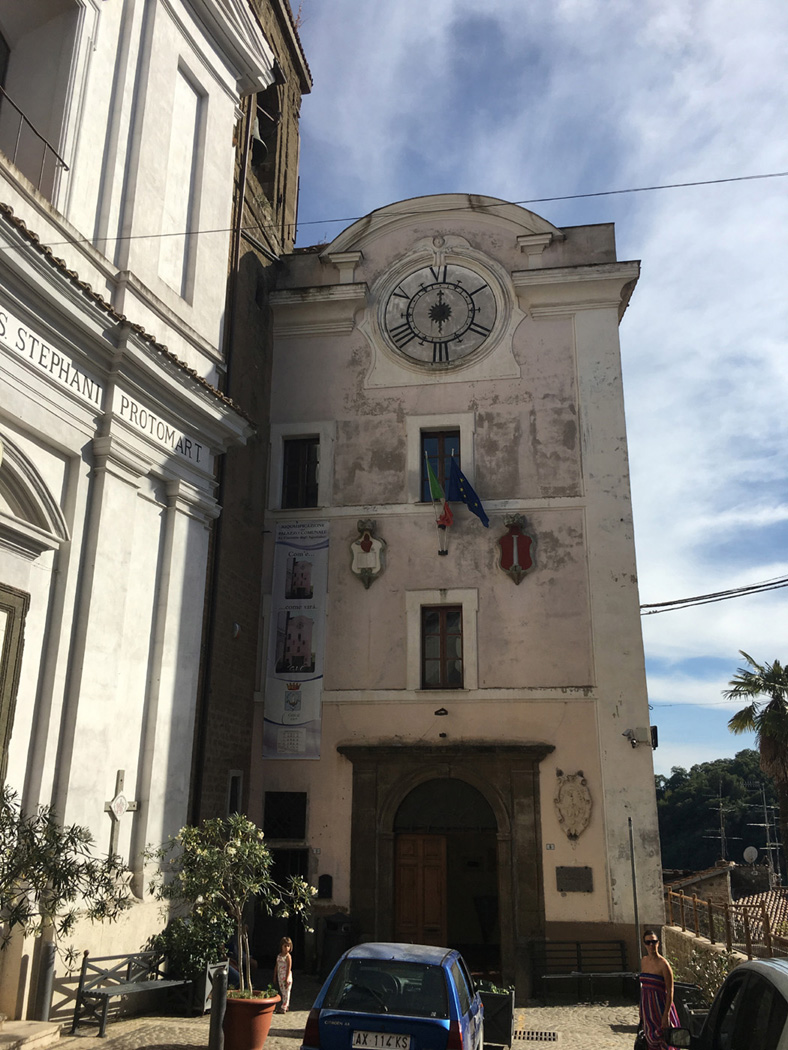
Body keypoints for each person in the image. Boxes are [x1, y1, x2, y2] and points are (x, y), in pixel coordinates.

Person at [639, 929, 680, 1050]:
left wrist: (666, 1014)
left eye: (654, 942)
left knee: (665, 1041)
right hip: (648, 1009)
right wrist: (641, 1008)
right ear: (644, 944)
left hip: (661, 1008)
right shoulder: (644, 961)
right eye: (648, 943)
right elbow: (643, 987)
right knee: (649, 1042)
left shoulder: (664, 964)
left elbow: (670, 990)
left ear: (658, 943)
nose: (651, 945)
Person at [274, 936, 293, 1013]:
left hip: (286, 976)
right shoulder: (279, 956)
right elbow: (276, 966)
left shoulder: (288, 957)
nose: (286, 948)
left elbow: (289, 967)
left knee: (286, 992)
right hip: (280, 976)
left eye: (288, 946)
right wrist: (275, 976)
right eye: (285, 946)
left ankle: (284, 1007)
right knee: (283, 992)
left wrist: (287, 977)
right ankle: (285, 1005)